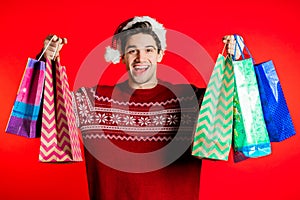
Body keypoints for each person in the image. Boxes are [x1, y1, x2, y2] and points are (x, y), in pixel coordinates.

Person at [41, 16, 241, 200]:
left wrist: (237, 60)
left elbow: (237, 107)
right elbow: (48, 112)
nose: (140, 58)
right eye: (132, 51)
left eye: (148, 50)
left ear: (160, 54)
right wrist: (46, 61)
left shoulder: (189, 99)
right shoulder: (92, 100)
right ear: (122, 56)